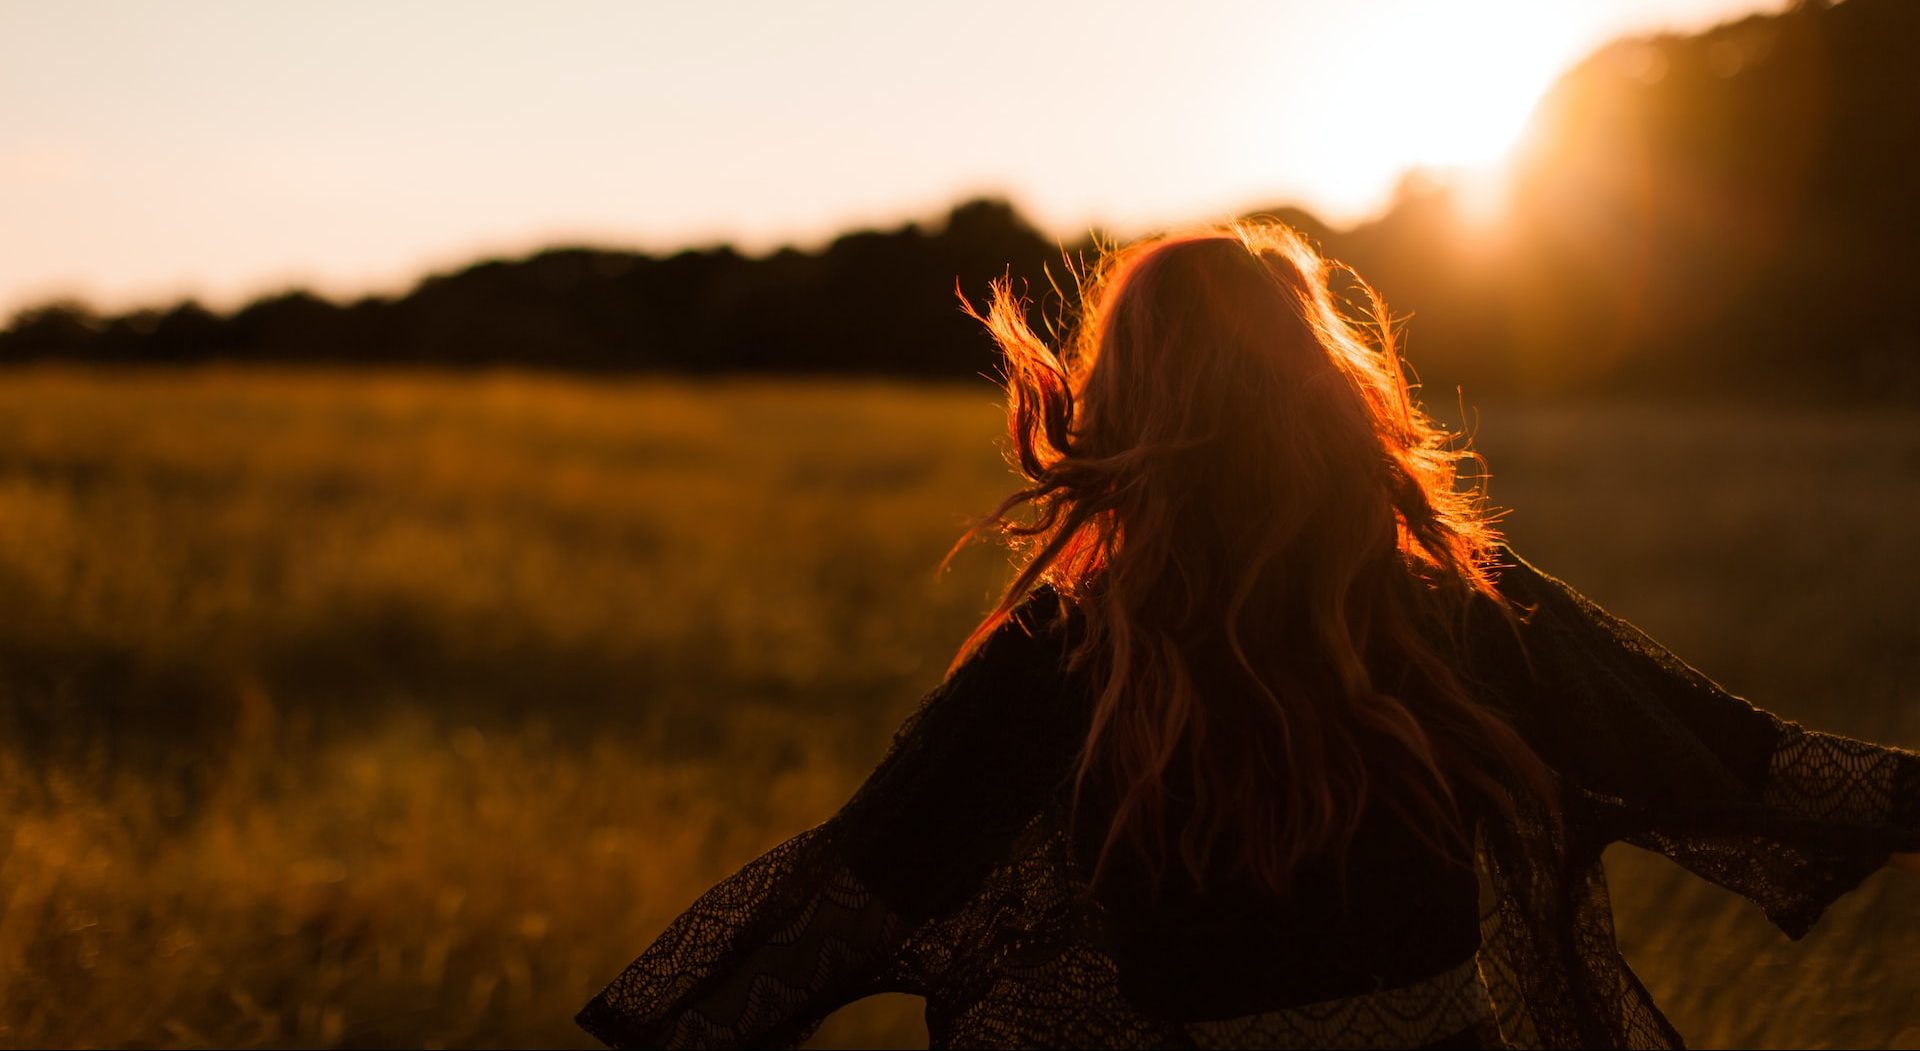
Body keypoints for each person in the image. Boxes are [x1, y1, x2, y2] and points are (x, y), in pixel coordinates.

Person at [576, 222, 1920, 1049]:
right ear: (1328, 390)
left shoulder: (1067, 653)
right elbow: (1765, 771)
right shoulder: (1455, 600)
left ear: (1125, 401)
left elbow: (849, 898)